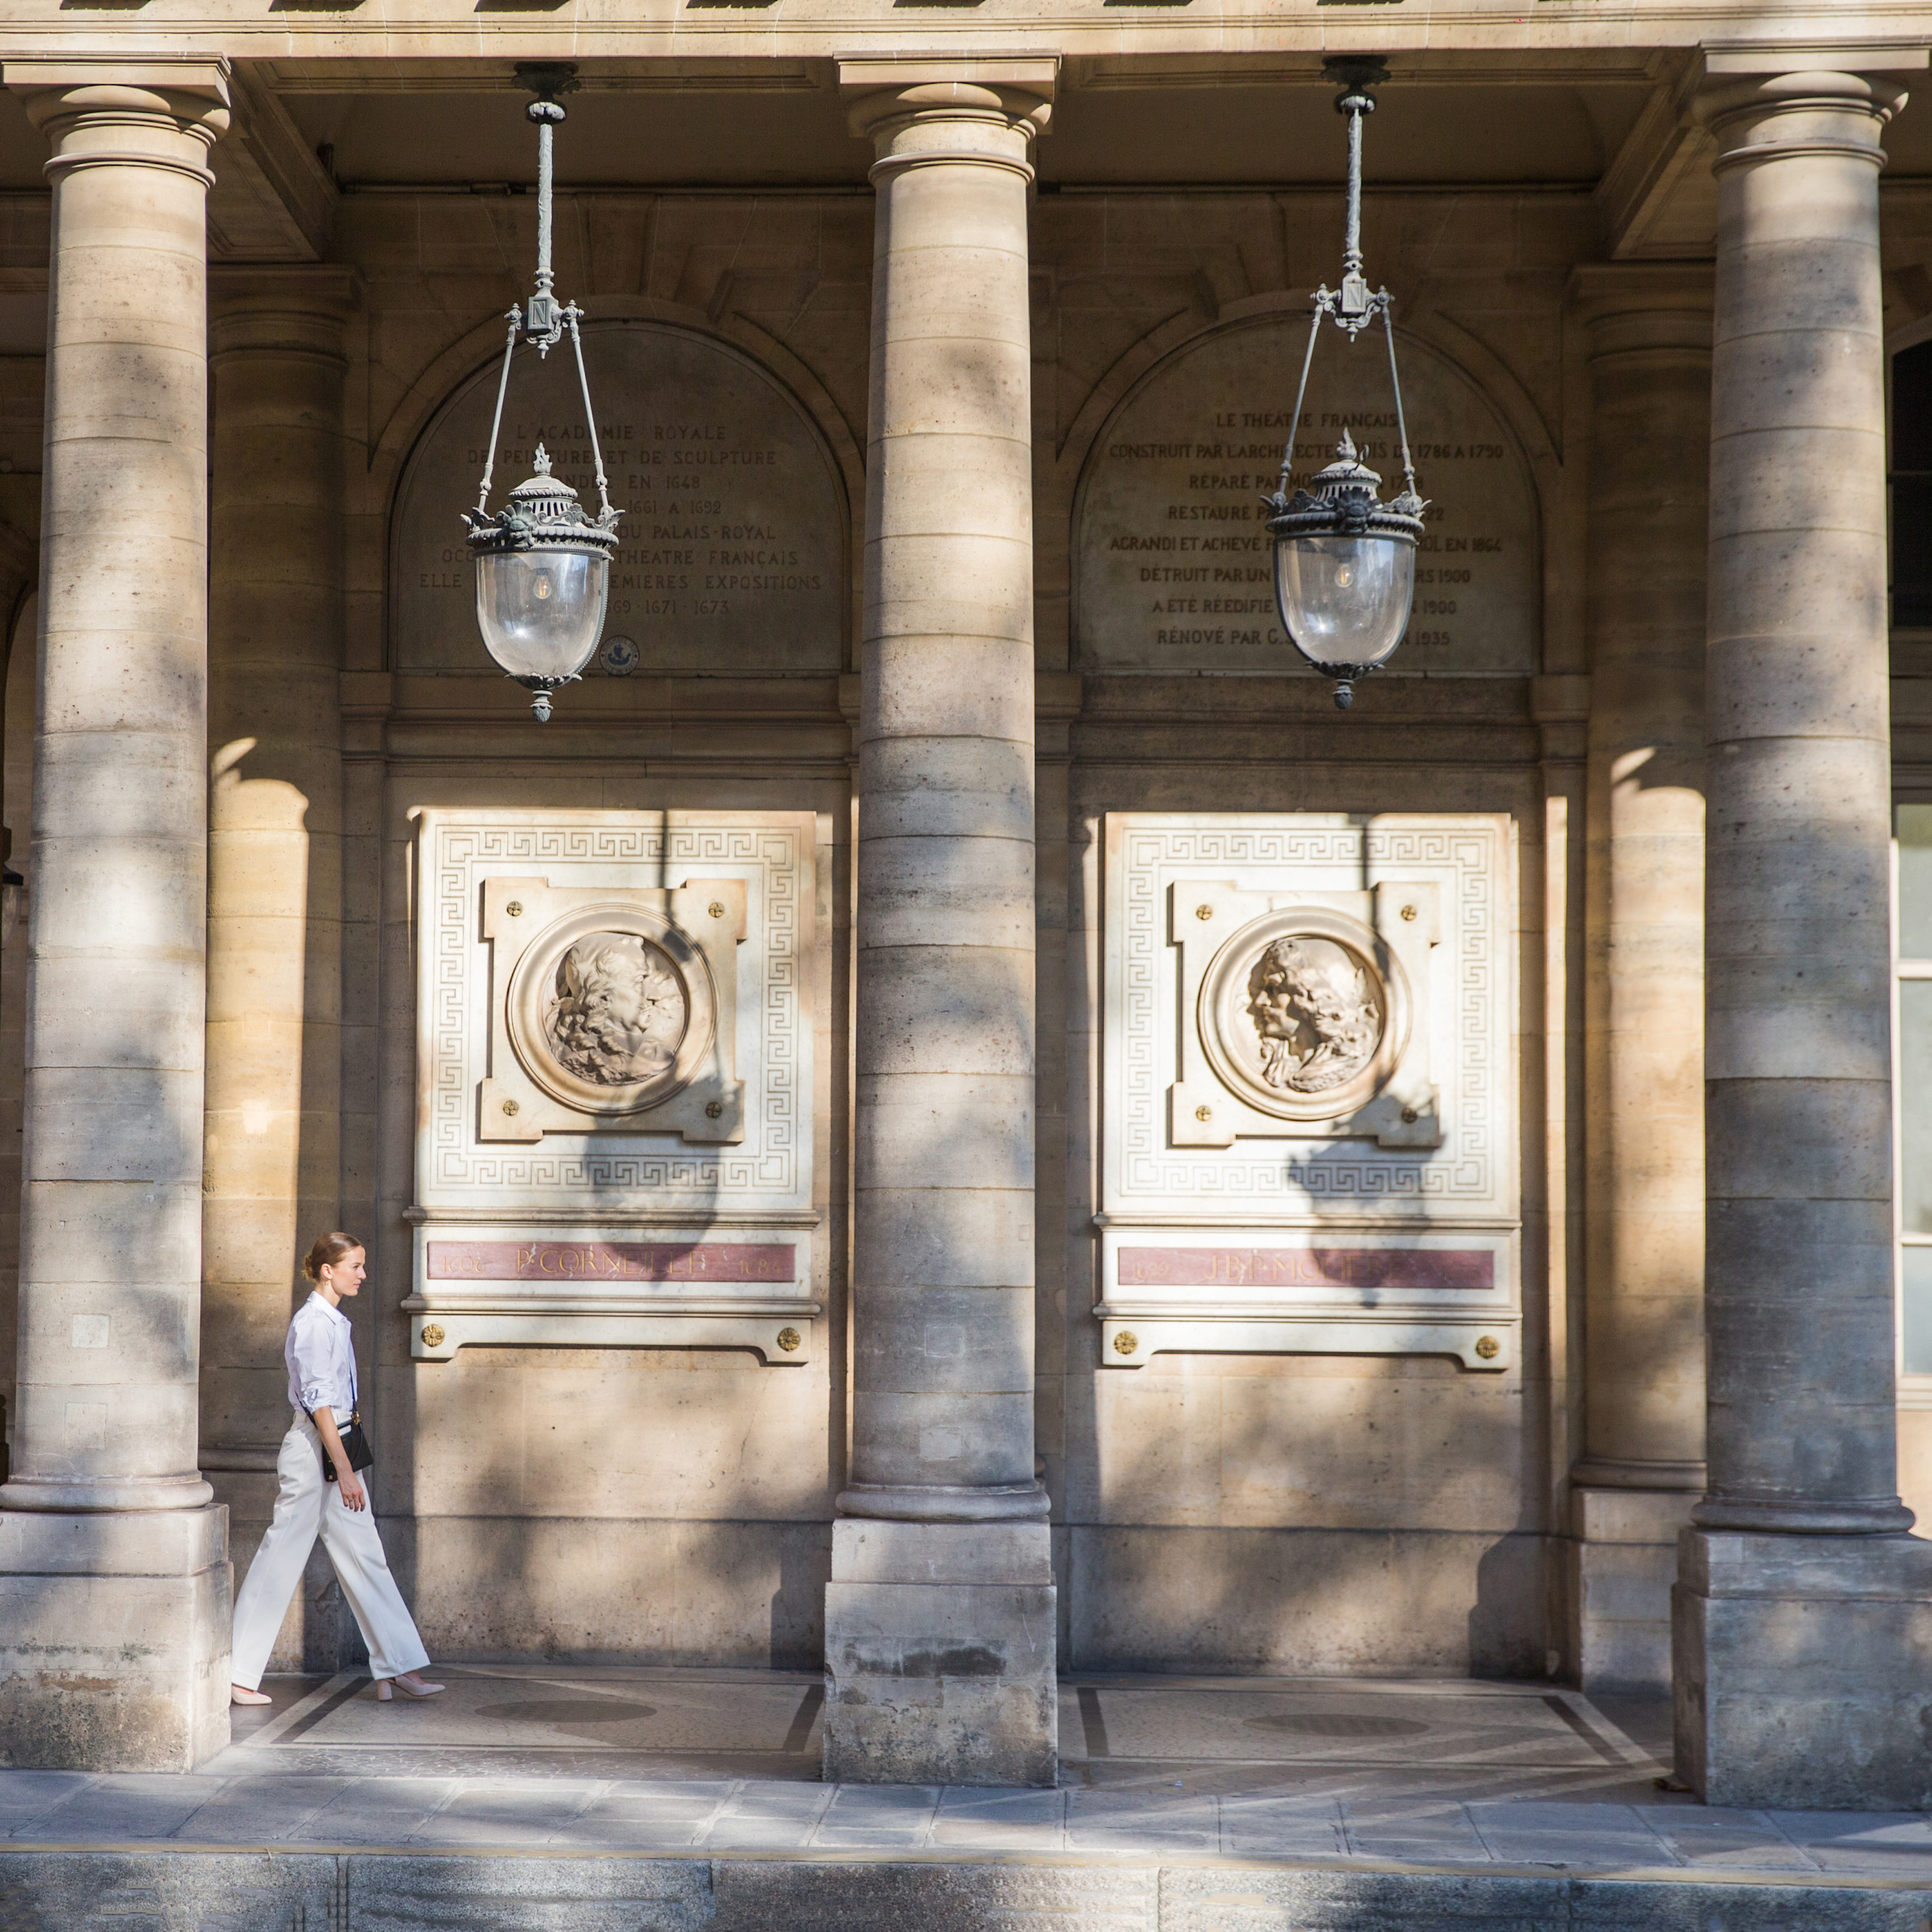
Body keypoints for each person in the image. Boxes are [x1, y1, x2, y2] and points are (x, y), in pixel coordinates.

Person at [228, 1233, 445, 1707]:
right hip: (315, 1452)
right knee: (280, 1555)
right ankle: (238, 1673)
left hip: (337, 1446)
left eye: (363, 1266)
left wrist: (344, 1466)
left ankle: (397, 1665)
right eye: (356, 1266)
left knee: (366, 1554)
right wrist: (345, 1472)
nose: (363, 1275)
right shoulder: (312, 1324)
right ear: (328, 1270)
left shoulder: (332, 1321)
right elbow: (318, 1403)